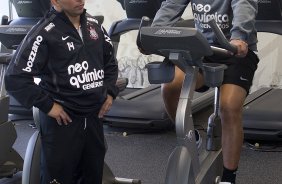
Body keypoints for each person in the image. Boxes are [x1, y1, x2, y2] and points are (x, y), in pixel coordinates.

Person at [5, 0, 118, 183]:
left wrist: (111, 92)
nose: (80, 0)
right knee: (59, 178)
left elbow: (110, 63)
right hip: (63, 120)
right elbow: (15, 78)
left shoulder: (94, 26)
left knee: (93, 175)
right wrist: (48, 106)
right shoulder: (44, 32)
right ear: (55, 1)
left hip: (94, 117)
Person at [149, 0, 260, 184]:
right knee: (169, 86)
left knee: (229, 106)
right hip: (201, 48)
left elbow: (244, 4)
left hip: (235, 50)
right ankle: (194, 137)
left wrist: (239, 35)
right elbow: (171, 5)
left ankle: (228, 178)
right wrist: (155, 33)